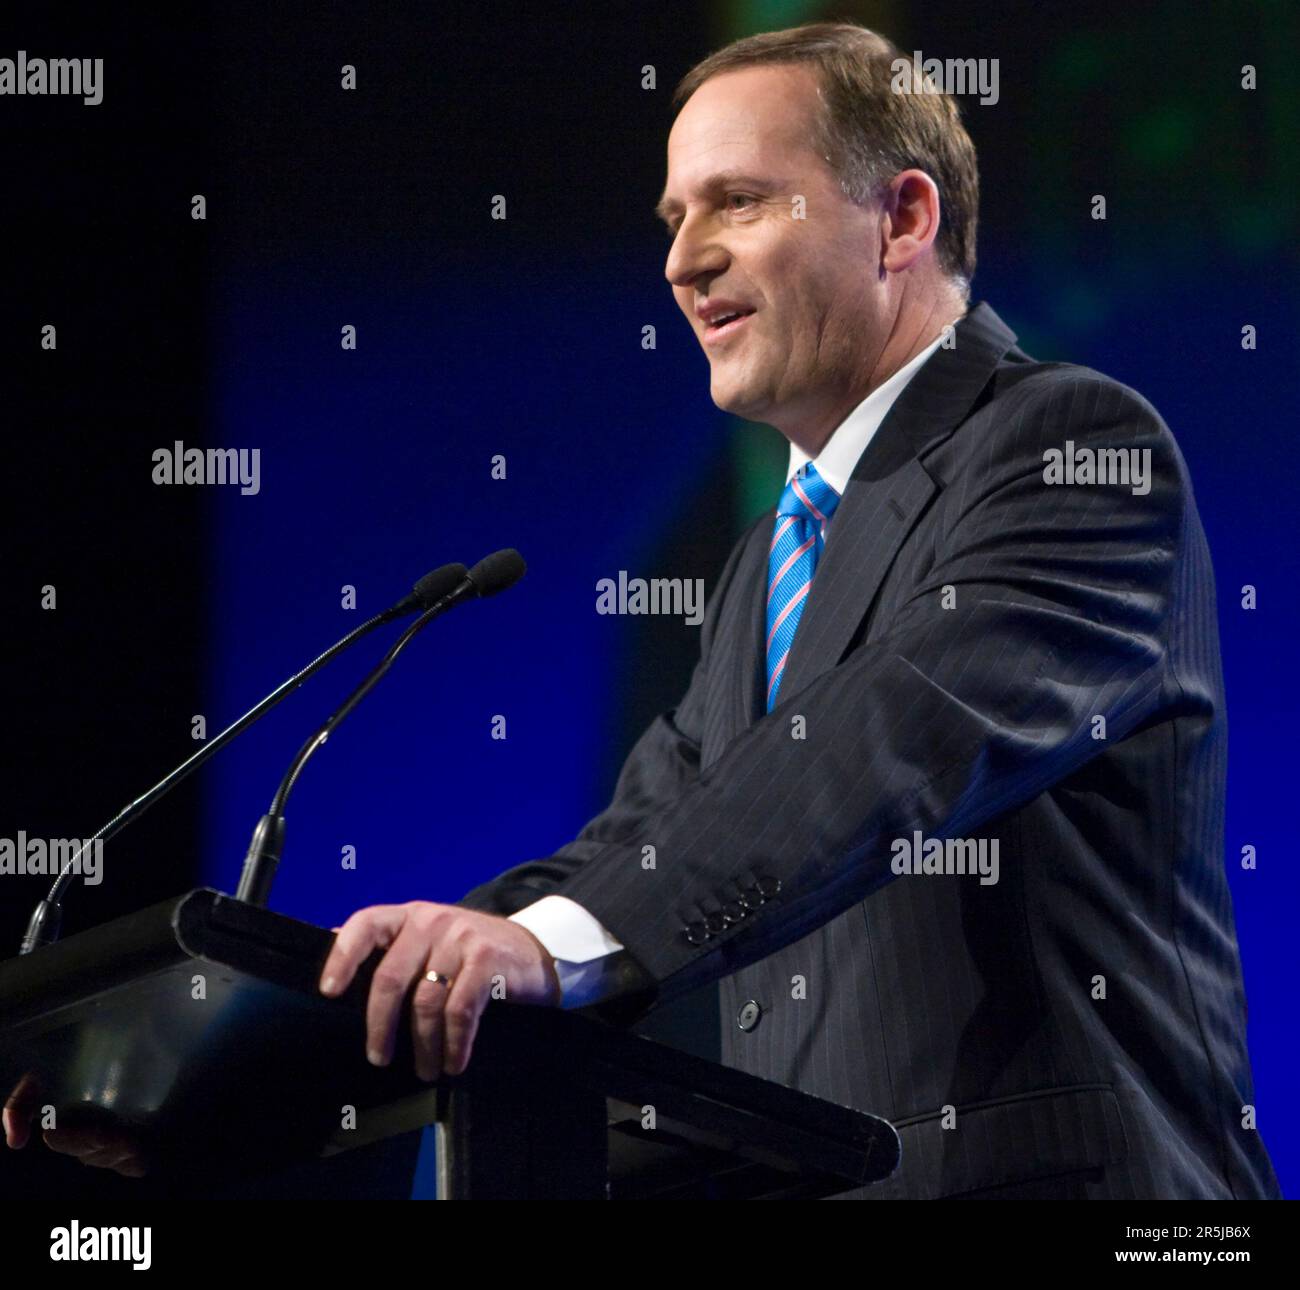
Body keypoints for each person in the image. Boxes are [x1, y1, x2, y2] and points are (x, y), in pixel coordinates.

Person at [9, 21, 1279, 1200]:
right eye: (674, 216)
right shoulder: (760, 572)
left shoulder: (1067, 448)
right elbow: (640, 842)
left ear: (900, 217)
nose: (680, 261)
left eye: (736, 200)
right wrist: (249, 1072)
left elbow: (886, 738)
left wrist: (554, 942)